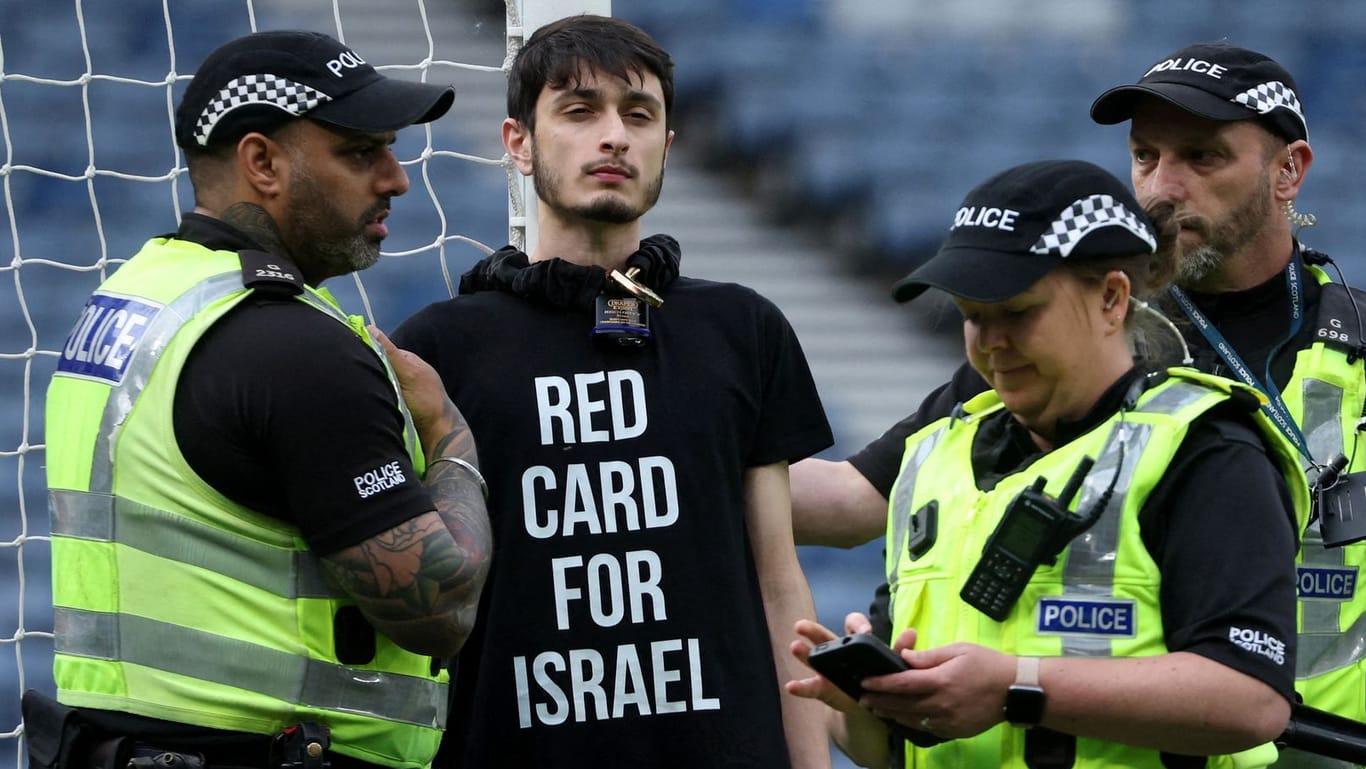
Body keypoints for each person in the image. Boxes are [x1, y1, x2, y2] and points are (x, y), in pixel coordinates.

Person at [793, 43, 1366, 763]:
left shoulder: (1348, 349)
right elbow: (854, 495)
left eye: (1201, 157)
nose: (1162, 186)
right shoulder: (1060, 354)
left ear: (1290, 170)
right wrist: (680, 457)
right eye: (1146, 156)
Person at [31, 30, 492, 769]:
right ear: (262, 162)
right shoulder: (294, 348)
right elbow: (439, 607)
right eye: (359, 151)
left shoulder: (132, 299)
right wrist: (448, 439)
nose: (397, 179)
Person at [389, 14, 835, 769]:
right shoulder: (439, 347)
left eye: (639, 115)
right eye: (579, 110)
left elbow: (777, 582)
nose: (615, 136)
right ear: (517, 143)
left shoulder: (744, 327)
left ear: (668, 143)